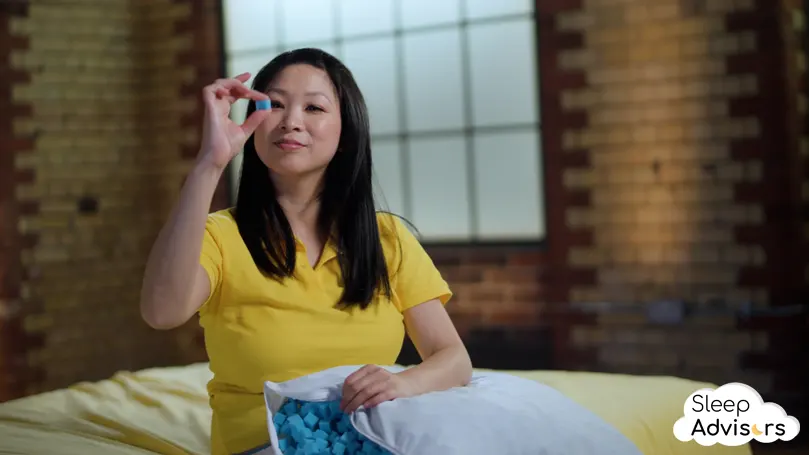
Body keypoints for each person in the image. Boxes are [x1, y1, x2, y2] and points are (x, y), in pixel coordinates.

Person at [139, 48, 473, 455]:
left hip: (375, 439)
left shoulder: (387, 237)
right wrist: (210, 163)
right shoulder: (220, 235)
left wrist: (403, 383)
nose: (291, 121)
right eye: (275, 104)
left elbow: (452, 358)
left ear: (345, 132)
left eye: (314, 107)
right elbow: (161, 312)